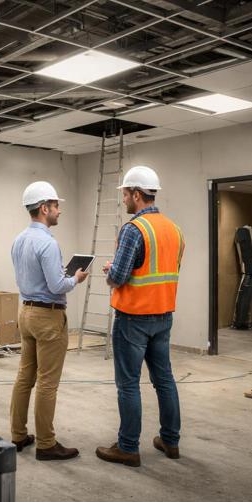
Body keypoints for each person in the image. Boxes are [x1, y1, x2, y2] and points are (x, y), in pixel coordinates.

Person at [96, 165, 185, 467]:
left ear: (136, 194)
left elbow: (119, 277)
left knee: (129, 384)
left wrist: (110, 271)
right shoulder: (174, 230)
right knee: (165, 380)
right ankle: (170, 441)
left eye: (124, 194)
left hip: (133, 317)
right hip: (163, 316)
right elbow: (167, 271)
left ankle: (128, 447)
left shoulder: (134, 229)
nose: (123, 200)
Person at [10, 181, 88, 460]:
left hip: (26, 312)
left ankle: (18, 436)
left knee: (24, 376)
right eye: (56, 206)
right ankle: (46, 443)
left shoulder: (19, 240)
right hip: (48, 316)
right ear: (44, 208)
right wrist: (75, 279)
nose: (59, 211)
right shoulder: (48, 243)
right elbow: (57, 285)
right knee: (47, 382)